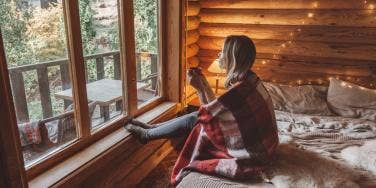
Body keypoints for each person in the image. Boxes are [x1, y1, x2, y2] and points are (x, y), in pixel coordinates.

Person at [125, 35, 279, 186]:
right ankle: (150, 129)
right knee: (195, 118)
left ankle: (146, 134)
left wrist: (199, 88)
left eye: (222, 52)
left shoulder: (240, 90)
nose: (219, 55)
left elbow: (208, 115)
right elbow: (214, 111)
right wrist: (204, 84)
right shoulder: (250, 79)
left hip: (255, 152)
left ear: (232, 57)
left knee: (194, 119)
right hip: (264, 144)